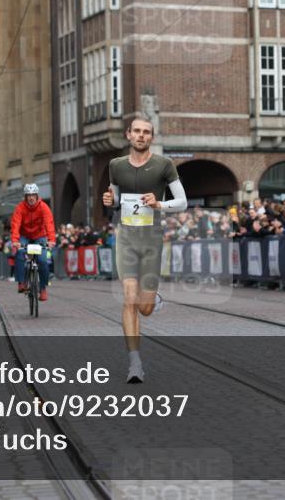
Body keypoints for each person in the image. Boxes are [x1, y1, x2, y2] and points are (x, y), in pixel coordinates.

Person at [102, 117, 188, 383]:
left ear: (151, 137)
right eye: (136, 131)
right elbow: (115, 200)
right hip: (126, 237)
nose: (141, 136)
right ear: (128, 135)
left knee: (145, 308)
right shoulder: (115, 166)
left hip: (151, 239)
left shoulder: (164, 165)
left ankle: (154, 300)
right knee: (129, 300)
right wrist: (110, 200)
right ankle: (135, 363)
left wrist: (159, 204)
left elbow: (182, 201)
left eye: (146, 132)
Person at [11, 184, 56, 300]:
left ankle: (43, 289)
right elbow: (15, 225)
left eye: (33, 195)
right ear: (25, 197)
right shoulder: (20, 208)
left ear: (37, 196)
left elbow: (49, 224)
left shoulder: (44, 207)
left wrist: (51, 240)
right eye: (28, 195)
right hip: (24, 235)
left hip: (39, 236)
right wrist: (15, 240)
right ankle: (21, 283)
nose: (31, 198)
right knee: (20, 253)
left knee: (42, 261)